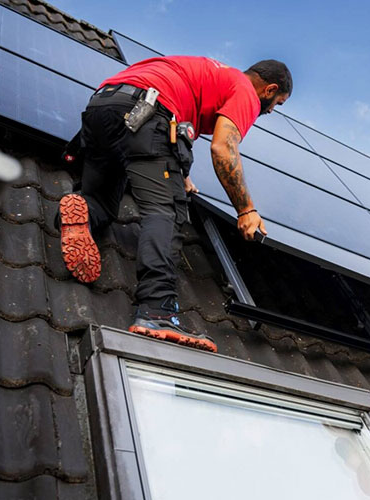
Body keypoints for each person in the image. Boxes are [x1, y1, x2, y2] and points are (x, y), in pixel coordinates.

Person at [58, 56, 292, 353]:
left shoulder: (208, 73)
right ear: (269, 89)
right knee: (165, 210)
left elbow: (174, 123)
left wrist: (180, 173)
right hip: (146, 113)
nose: (269, 111)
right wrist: (246, 209)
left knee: (102, 202)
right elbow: (223, 147)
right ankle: (157, 311)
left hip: (103, 106)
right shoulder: (244, 89)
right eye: (276, 104)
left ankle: (82, 211)